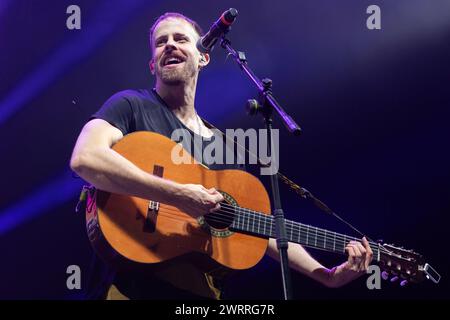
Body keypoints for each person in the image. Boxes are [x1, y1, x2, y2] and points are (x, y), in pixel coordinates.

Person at [70, 12, 373, 300]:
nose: (170, 45)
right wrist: (178, 194)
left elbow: (264, 230)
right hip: (127, 288)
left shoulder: (226, 147)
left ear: (203, 57)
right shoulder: (130, 105)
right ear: (153, 65)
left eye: (180, 39)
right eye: (161, 42)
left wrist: (327, 275)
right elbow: (86, 158)